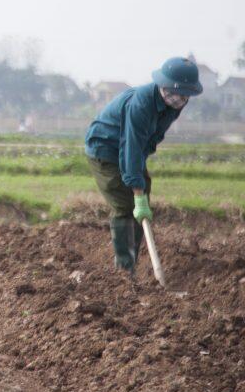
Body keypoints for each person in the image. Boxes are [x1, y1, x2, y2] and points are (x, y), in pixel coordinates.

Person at [84, 57, 202, 274]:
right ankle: (124, 271)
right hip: (105, 148)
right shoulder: (141, 103)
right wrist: (136, 191)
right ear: (165, 87)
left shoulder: (174, 105)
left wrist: (140, 187)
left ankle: (132, 263)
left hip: (130, 147)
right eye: (179, 94)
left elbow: (149, 140)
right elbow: (130, 144)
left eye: (187, 95)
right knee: (125, 205)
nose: (182, 100)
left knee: (141, 204)